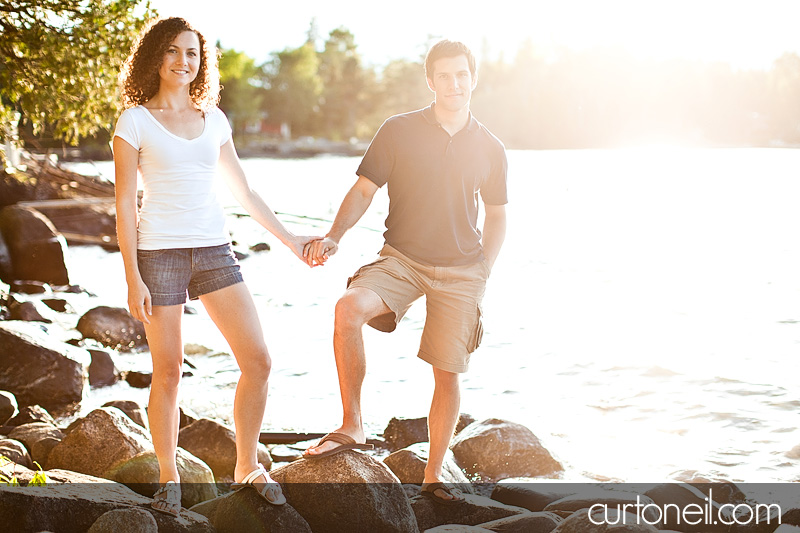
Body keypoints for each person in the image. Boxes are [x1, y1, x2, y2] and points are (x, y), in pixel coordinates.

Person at [114, 17, 319, 515]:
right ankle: (169, 478)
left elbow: (244, 193)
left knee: (258, 360)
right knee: (167, 374)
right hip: (158, 254)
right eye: (173, 52)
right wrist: (132, 277)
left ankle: (246, 465)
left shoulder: (216, 121)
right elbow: (122, 205)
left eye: (192, 53)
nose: (183, 61)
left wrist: (292, 240)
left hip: (214, 251)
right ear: (155, 58)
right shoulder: (134, 121)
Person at [302, 39, 508, 504]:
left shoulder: (491, 147)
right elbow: (363, 190)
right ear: (430, 80)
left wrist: (484, 272)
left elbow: (497, 215)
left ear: (472, 79)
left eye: (461, 75)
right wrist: (335, 234)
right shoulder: (398, 130)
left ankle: (434, 475)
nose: (453, 84)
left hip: (462, 271)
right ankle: (352, 424)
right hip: (402, 260)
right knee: (348, 309)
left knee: (447, 374)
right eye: (444, 76)